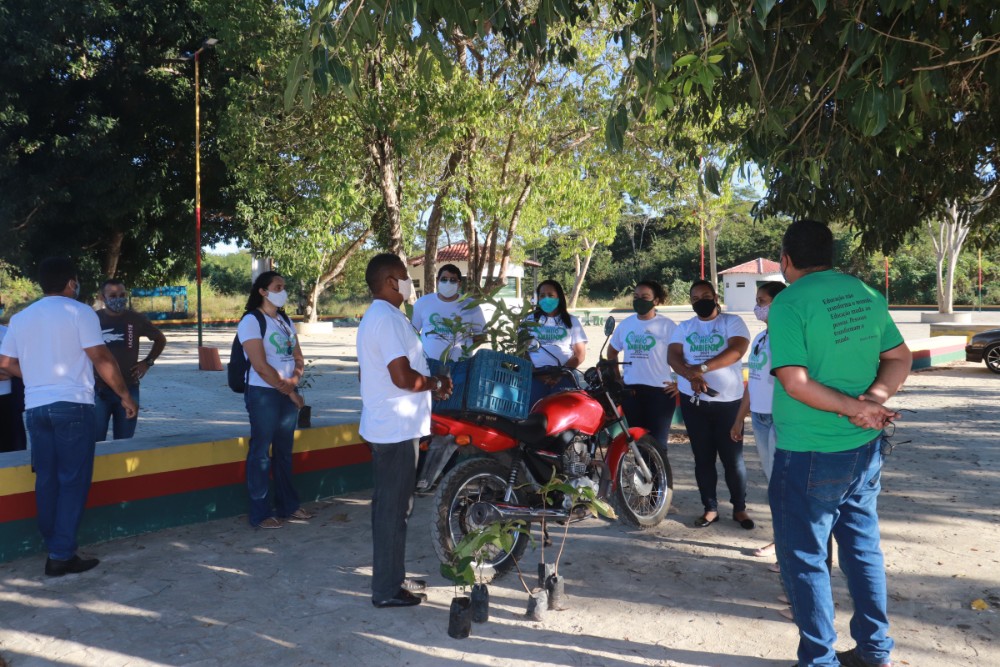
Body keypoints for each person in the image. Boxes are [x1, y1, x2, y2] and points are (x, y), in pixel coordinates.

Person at [768, 219, 911, 667]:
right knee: (862, 549)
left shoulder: (789, 302)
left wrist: (858, 407)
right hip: (863, 451)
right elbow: (899, 357)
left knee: (805, 558)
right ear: (830, 256)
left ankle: (819, 661)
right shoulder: (865, 293)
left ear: (786, 260)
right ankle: (875, 651)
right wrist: (872, 401)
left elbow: (795, 382)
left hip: (809, 451)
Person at [0, 257, 137, 576]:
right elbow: (101, 357)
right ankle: (61, 554)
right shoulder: (80, 312)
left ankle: (54, 543)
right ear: (71, 283)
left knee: (47, 478)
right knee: (73, 480)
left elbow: (5, 363)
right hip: (73, 405)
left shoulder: (21, 318)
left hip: (35, 408)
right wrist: (124, 395)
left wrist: (35, 377)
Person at [357, 253, 453, 608]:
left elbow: (368, 374)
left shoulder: (386, 317)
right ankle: (386, 589)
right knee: (392, 511)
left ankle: (393, 576)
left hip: (393, 426)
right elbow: (401, 377)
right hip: (394, 431)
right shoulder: (385, 319)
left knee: (395, 508)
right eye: (402, 276)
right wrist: (435, 383)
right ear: (387, 282)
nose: (408, 282)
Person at [667, 279, 752, 529]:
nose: (700, 301)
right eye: (694, 298)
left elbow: (737, 350)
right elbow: (673, 355)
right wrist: (688, 375)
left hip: (728, 403)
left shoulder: (731, 322)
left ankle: (740, 508)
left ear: (716, 297)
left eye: (705, 296)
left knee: (732, 459)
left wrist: (700, 369)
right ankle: (710, 508)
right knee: (703, 458)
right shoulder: (684, 327)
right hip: (694, 404)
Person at [237, 271, 313, 529]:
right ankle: (260, 512)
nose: (283, 291)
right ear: (262, 291)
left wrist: (296, 378)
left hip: (284, 392)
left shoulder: (284, 319)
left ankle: (288, 506)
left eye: (284, 286)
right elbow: (259, 366)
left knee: (284, 452)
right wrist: (289, 390)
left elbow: (298, 356)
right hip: (264, 394)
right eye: (278, 287)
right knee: (260, 452)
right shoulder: (251, 321)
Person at [730, 281, 787, 561]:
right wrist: (740, 419)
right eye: (757, 300)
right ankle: (782, 541)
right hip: (761, 420)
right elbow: (752, 383)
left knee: (784, 484)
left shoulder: (788, 338)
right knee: (774, 482)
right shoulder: (760, 339)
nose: (758, 307)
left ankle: (785, 545)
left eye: (762, 301)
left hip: (781, 420)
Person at [607, 280, 679, 453]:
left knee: (658, 445)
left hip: (661, 393)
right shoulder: (626, 324)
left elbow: (682, 357)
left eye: (645, 297)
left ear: (656, 300)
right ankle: (643, 478)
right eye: (636, 297)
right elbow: (611, 353)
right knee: (637, 443)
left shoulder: (667, 326)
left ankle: (659, 479)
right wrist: (617, 379)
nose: (639, 300)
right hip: (631, 393)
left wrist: (681, 383)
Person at [94, 279, 167, 441]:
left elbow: (160, 339)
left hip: (129, 388)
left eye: (122, 295)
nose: (118, 299)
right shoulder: (92, 319)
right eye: (112, 295)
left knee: (125, 443)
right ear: (102, 297)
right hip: (98, 390)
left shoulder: (135, 319)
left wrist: (147, 362)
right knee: (95, 443)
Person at [525, 280, 587, 406]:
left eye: (550, 295)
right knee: (534, 413)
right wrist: (535, 372)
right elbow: (522, 351)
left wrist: (560, 374)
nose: (546, 299)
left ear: (559, 297)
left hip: (564, 375)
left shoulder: (571, 321)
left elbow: (580, 354)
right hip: (535, 375)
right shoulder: (528, 320)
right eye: (542, 295)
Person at [410, 264, 486, 363]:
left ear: (459, 284)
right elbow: (413, 333)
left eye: (453, 280)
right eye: (444, 279)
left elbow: (481, 335)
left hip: (461, 364)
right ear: (437, 281)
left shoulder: (471, 305)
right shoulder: (423, 302)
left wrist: (465, 349)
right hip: (428, 363)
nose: (448, 283)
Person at [0, 323, 29, 451]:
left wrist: (8, 370)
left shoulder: (7, 332)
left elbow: (22, 363)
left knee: (13, 448)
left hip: (9, 399)